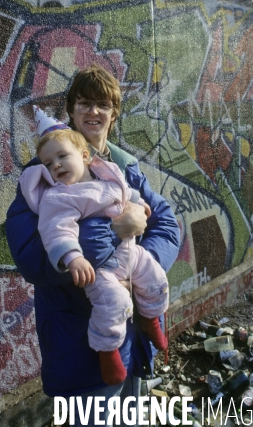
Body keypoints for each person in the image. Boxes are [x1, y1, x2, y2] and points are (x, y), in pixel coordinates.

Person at [6, 63, 180, 426]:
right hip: (77, 346)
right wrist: (118, 230)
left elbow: (167, 225)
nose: (93, 112)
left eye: (103, 105)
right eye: (84, 103)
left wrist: (141, 263)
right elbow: (31, 257)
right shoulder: (42, 176)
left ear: (114, 114)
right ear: (70, 110)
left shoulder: (125, 168)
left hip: (132, 341)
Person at [19, 109, 169, 386]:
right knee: (114, 302)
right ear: (73, 109)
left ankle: (151, 319)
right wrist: (73, 257)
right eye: (49, 164)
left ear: (85, 157)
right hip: (103, 271)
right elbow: (56, 230)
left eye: (63, 157)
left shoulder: (108, 173)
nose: (57, 166)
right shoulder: (57, 196)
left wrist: (138, 205)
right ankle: (107, 351)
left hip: (131, 255)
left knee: (156, 277)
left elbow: (127, 193)